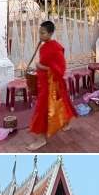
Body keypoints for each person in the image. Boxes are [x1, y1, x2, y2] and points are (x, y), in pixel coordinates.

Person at [27, 21, 76, 151]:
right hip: (44, 82)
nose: (40, 35)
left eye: (43, 33)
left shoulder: (55, 47)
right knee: (61, 102)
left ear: (50, 33)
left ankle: (41, 139)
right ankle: (66, 123)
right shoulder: (44, 47)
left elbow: (61, 68)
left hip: (52, 84)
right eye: (39, 32)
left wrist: (40, 66)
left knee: (42, 110)